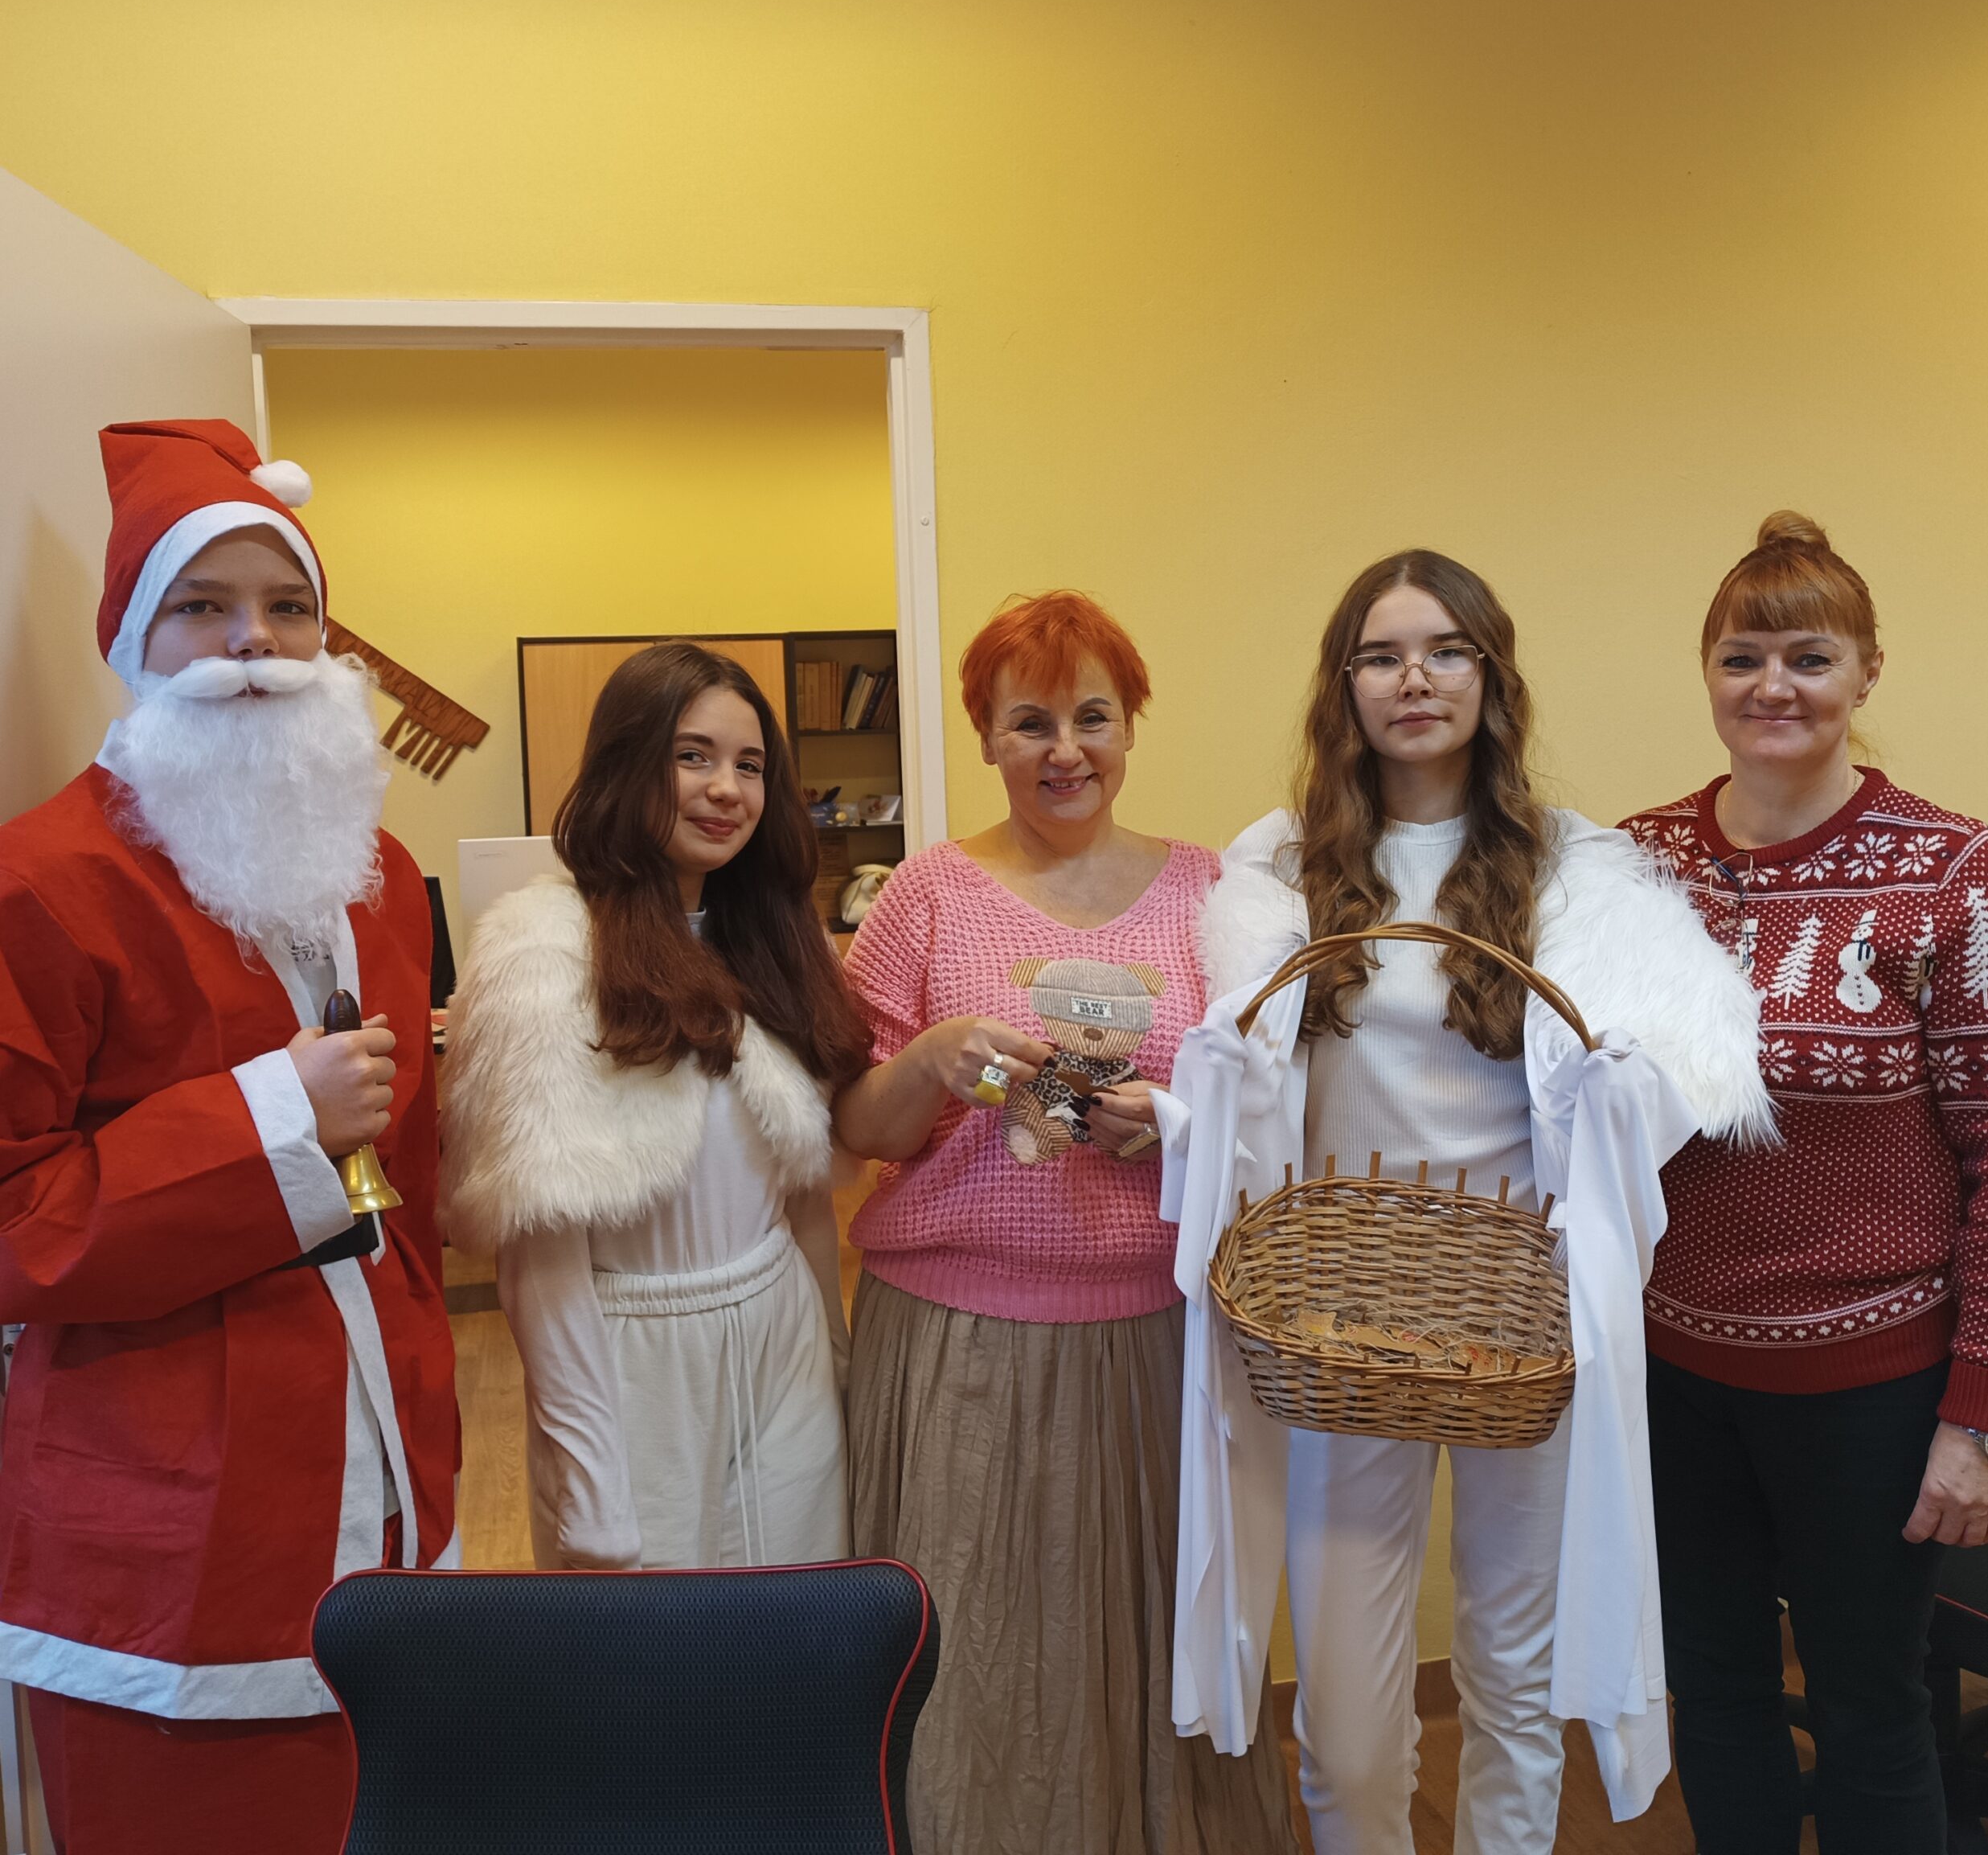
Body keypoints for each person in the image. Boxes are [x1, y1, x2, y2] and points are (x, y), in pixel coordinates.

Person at [1194, 550, 1771, 1855]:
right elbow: (1238, 1074)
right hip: (1340, 1317)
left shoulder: (1576, 869)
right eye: (1383, 655)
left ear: (1490, 676)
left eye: (1447, 650)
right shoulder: (1280, 866)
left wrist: (1628, 1083)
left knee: (1515, 1678)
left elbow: (1675, 1071)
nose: (1416, 679)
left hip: (1522, 1312)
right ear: (1345, 684)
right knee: (1344, 1720)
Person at [0, 419, 459, 1855]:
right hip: (168, 1536)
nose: (254, 642)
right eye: (203, 605)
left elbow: (407, 1192)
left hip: (385, 1476)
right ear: (134, 640)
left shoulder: (378, 875)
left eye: (287, 607)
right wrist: (275, 1118)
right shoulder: (38, 881)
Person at [831, 591, 1299, 1855]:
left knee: (1149, 1644)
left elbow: (1273, 1108)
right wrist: (930, 1058)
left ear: (1131, 726)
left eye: (1093, 717)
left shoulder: (1215, 893)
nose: (1064, 750)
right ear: (985, 735)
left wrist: (1173, 1122)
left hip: (1157, 1341)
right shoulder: (926, 896)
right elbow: (858, 1127)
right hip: (956, 1347)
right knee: (972, 1653)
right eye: (1029, 722)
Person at [1621, 512, 1988, 1855]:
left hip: (1873, 1389)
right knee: (1717, 1694)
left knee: (1873, 1713)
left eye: (1809, 658)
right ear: (1707, 672)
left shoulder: (1952, 869)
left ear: (1868, 673)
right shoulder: (1634, 866)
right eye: (1742, 658)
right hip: (1672, 1377)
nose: (1774, 686)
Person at [441, 642, 868, 1569]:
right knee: (652, 1643)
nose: (726, 790)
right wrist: (591, 1483)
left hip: (785, 1348)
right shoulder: (544, 951)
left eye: (749, 765)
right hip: (633, 1362)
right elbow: (539, 1260)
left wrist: (836, 1368)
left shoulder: (774, 939)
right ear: (628, 763)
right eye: (692, 756)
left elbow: (803, 1195)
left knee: (796, 1627)